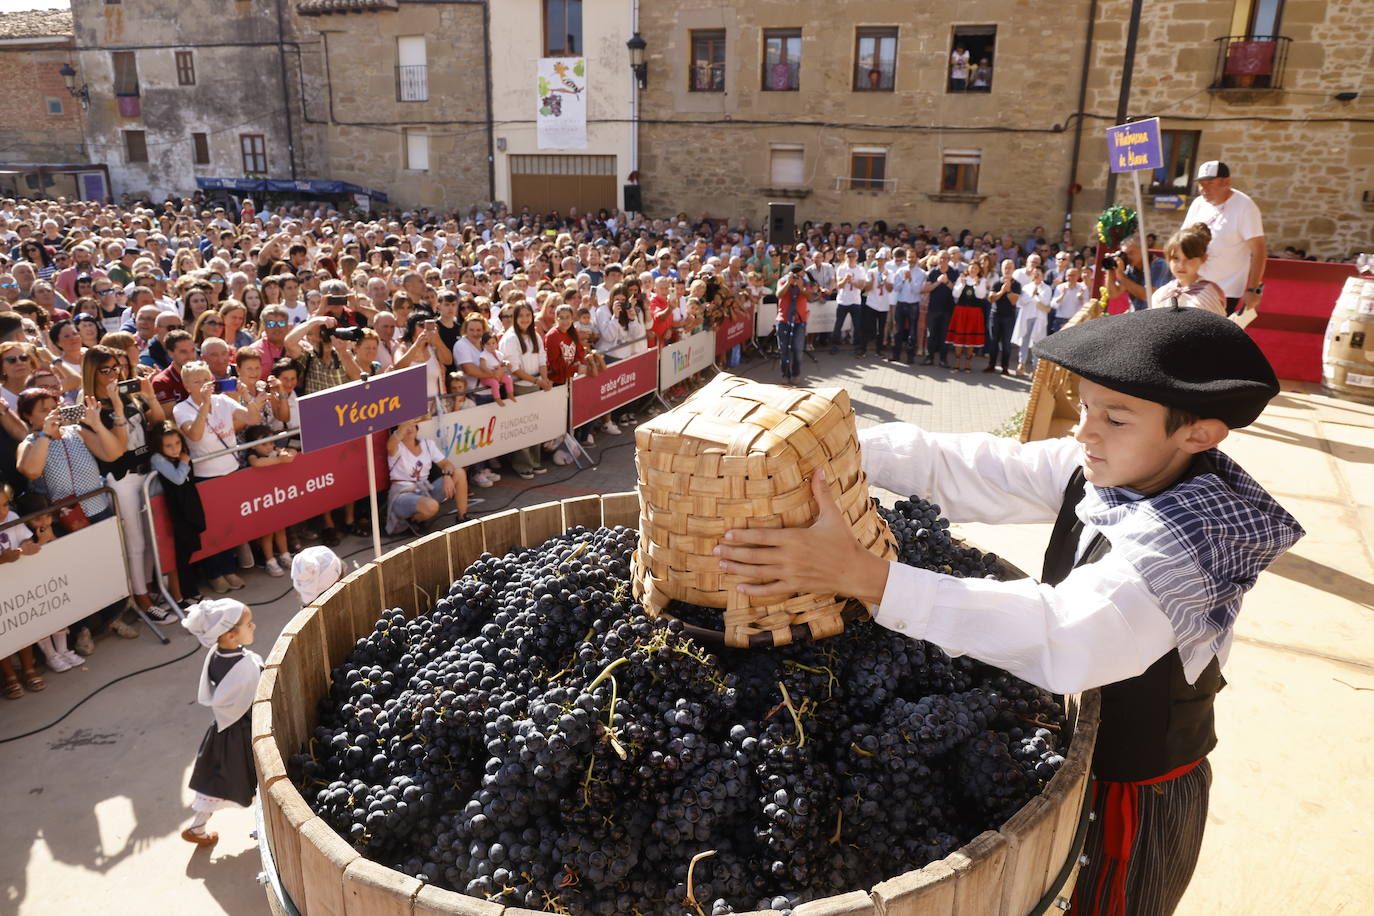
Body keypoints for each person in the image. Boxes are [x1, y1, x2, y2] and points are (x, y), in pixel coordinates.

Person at [715, 307, 1304, 916]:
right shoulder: (1114, 463)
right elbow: (967, 466)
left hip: (1133, 787)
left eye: (1115, 418)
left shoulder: (1194, 540)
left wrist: (864, 577)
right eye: (1084, 408)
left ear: (1199, 435)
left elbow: (1064, 633)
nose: (1085, 432)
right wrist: (823, 444)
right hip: (1072, 760)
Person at [180, 598, 263, 847]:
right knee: (259, 777)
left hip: (222, 730)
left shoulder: (216, 656)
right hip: (245, 730)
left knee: (215, 780)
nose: (254, 627)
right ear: (229, 634)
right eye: (248, 624)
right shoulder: (246, 668)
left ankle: (197, 826)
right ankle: (266, 828)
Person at [1181, 161, 1266, 316]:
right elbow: (1182, 240)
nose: (1203, 189)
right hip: (1193, 286)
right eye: (1201, 184)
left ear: (1226, 182)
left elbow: (1259, 250)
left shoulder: (1245, 206)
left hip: (1225, 291)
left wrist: (1253, 289)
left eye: (1210, 183)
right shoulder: (1198, 203)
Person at [149, 420, 205, 605]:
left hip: (185, 508)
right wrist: (183, 462)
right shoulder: (157, 459)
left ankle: (191, 591)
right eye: (168, 446)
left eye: (177, 443)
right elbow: (178, 478)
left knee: (187, 552)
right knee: (177, 557)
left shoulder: (181, 456)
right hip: (169, 512)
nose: (174, 449)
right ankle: (181, 596)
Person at [384, 417, 466, 535]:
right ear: (397, 431)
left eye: (412, 425)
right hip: (402, 493)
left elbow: (446, 464)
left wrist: (447, 475)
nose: (409, 428)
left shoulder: (427, 444)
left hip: (424, 490)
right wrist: (403, 426)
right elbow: (390, 446)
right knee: (432, 506)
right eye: (405, 426)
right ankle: (413, 521)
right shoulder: (396, 448)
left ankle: (462, 518)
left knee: (459, 472)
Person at [242, 424, 296, 577]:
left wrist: (288, 454)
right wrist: (280, 460)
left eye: (271, 442)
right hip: (262, 501)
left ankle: (285, 555)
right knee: (267, 532)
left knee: (280, 528)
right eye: (264, 444)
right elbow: (256, 463)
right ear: (252, 446)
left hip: (276, 498)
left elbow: (292, 453)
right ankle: (270, 561)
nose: (269, 447)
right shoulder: (252, 456)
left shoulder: (275, 452)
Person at [1151, 224, 1228, 316]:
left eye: (1189, 258)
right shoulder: (1161, 294)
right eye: (1176, 258)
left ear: (1203, 258)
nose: (1181, 265)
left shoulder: (1208, 294)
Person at [774, 263, 813, 384]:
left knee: (797, 349)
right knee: (784, 350)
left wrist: (801, 288)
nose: (801, 275)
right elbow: (779, 295)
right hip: (783, 320)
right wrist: (788, 283)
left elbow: (810, 297)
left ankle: (796, 374)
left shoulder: (805, 282)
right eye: (799, 273)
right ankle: (785, 374)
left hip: (799, 321)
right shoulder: (782, 281)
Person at [948, 260, 988, 373]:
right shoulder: (962, 278)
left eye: (976, 268)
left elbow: (981, 296)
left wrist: (976, 285)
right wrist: (961, 284)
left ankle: (968, 363)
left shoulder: (982, 280)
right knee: (959, 337)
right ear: (968, 268)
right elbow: (955, 294)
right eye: (972, 267)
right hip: (961, 311)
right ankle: (956, 362)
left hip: (974, 312)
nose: (973, 270)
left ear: (979, 270)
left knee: (971, 338)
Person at [1011, 265, 1051, 376]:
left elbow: (1046, 303)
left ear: (1043, 275)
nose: (1036, 275)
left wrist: (1036, 296)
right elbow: (1021, 302)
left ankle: (1035, 368)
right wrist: (1032, 295)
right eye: (1035, 273)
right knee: (1024, 340)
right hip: (1027, 316)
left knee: (1036, 342)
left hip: (1039, 318)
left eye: (1039, 273)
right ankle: (1021, 363)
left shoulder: (1047, 288)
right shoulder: (1026, 287)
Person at [985, 259, 1020, 375]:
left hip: (1009, 317)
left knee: (1006, 343)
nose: (1007, 270)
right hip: (995, 316)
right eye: (1005, 267)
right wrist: (1002, 291)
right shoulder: (996, 283)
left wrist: (1009, 290)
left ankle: (1005, 367)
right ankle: (991, 365)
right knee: (993, 342)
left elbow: (1014, 301)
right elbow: (991, 298)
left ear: (1013, 269)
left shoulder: (1016, 284)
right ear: (1002, 269)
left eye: (1010, 267)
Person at [923, 250, 958, 368]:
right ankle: (929, 357)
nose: (944, 260)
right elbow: (926, 289)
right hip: (934, 308)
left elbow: (957, 290)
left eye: (946, 258)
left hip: (948, 309)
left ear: (949, 259)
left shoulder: (954, 272)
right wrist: (938, 282)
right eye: (941, 258)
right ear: (938, 259)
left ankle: (943, 359)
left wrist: (947, 281)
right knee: (931, 334)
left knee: (944, 335)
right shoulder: (933, 272)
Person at [1049, 267, 1089, 334]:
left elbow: (1086, 305)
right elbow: (1053, 305)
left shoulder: (1083, 288)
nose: (1070, 277)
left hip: (1076, 320)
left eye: (1073, 275)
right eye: (1068, 275)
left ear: (1078, 276)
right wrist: (1062, 295)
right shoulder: (1060, 287)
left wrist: (1081, 298)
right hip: (1060, 320)